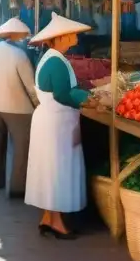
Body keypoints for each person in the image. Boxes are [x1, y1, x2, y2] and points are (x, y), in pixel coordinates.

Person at [25, 15, 92, 239]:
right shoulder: (56, 61)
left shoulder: (51, 57)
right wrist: (89, 98)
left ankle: (48, 218)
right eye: (72, 33)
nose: (75, 36)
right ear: (60, 37)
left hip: (51, 121)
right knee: (57, 171)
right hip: (57, 123)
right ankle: (56, 223)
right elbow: (63, 94)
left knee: (50, 170)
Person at [0, 18, 37, 196]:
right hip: (17, 108)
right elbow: (30, 86)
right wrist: (37, 105)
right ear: (17, 35)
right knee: (22, 146)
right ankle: (18, 187)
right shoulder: (19, 55)